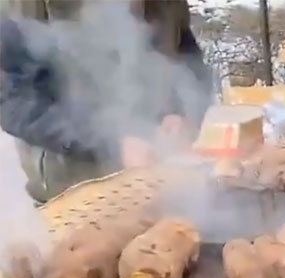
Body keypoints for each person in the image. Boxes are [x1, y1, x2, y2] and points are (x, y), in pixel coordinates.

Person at [0, 0, 211, 202]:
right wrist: (112, 143)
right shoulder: (28, 7)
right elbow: (12, 100)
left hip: (162, 184)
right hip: (72, 194)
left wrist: (182, 111)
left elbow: (185, 53)